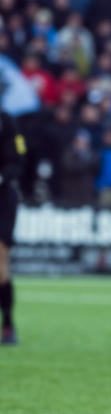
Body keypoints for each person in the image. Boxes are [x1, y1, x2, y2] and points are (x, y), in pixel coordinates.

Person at [0, 111, 26, 344]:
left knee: (0, 262)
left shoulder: (7, 121)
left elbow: (18, 160)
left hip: (3, 199)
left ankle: (7, 323)